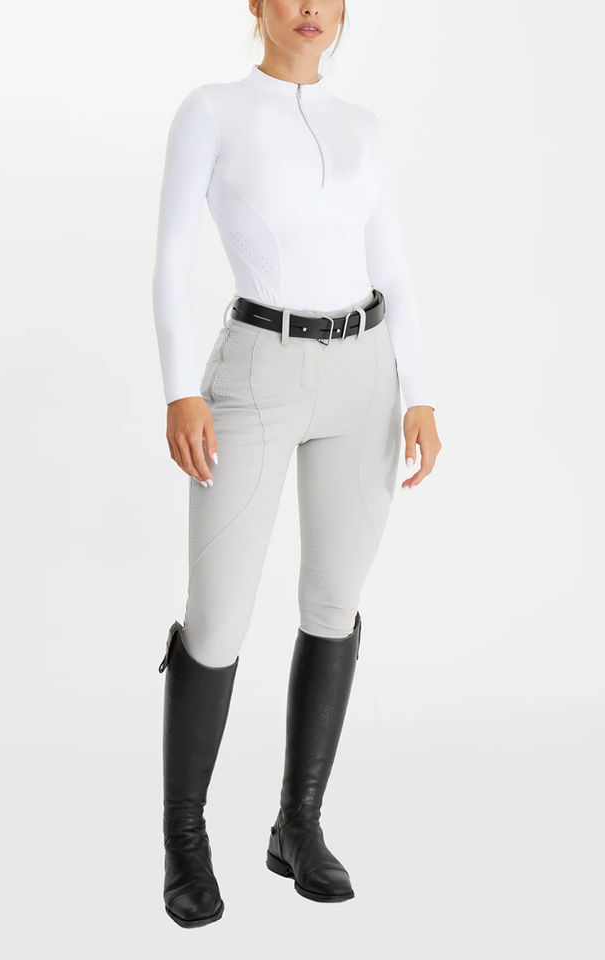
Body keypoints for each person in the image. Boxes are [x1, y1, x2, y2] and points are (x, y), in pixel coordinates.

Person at [152, 0, 442, 927]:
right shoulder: (212, 110)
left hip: (366, 376)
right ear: (257, 5)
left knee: (333, 604)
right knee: (217, 617)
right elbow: (170, 257)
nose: (311, 9)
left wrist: (421, 390)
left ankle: (298, 825)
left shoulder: (364, 128)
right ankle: (185, 840)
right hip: (255, 371)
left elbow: (392, 266)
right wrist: (179, 390)